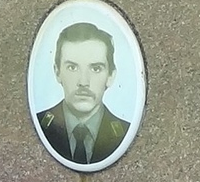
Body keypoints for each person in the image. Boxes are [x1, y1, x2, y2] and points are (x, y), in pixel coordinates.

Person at [36, 20, 131, 165]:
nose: (83, 82)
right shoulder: (39, 126)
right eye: (72, 68)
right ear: (57, 72)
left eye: (96, 69)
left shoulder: (126, 133)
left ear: (111, 76)